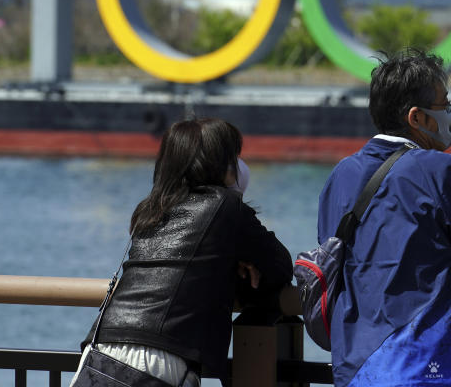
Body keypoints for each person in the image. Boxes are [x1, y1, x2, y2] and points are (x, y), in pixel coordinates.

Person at [317, 49, 451, 387]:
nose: (449, 113)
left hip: (354, 366)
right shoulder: (441, 170)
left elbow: (334, 264)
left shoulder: (341, 174)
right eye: (445, 105)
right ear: (417, 118)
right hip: (424, 365)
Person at [76, 117, 292, 386]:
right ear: (220, 163)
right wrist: (242, 261)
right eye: (233, 157)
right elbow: (281, 266)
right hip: (157, 358)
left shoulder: (152, 208)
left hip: (101, 346)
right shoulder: (226, 206)